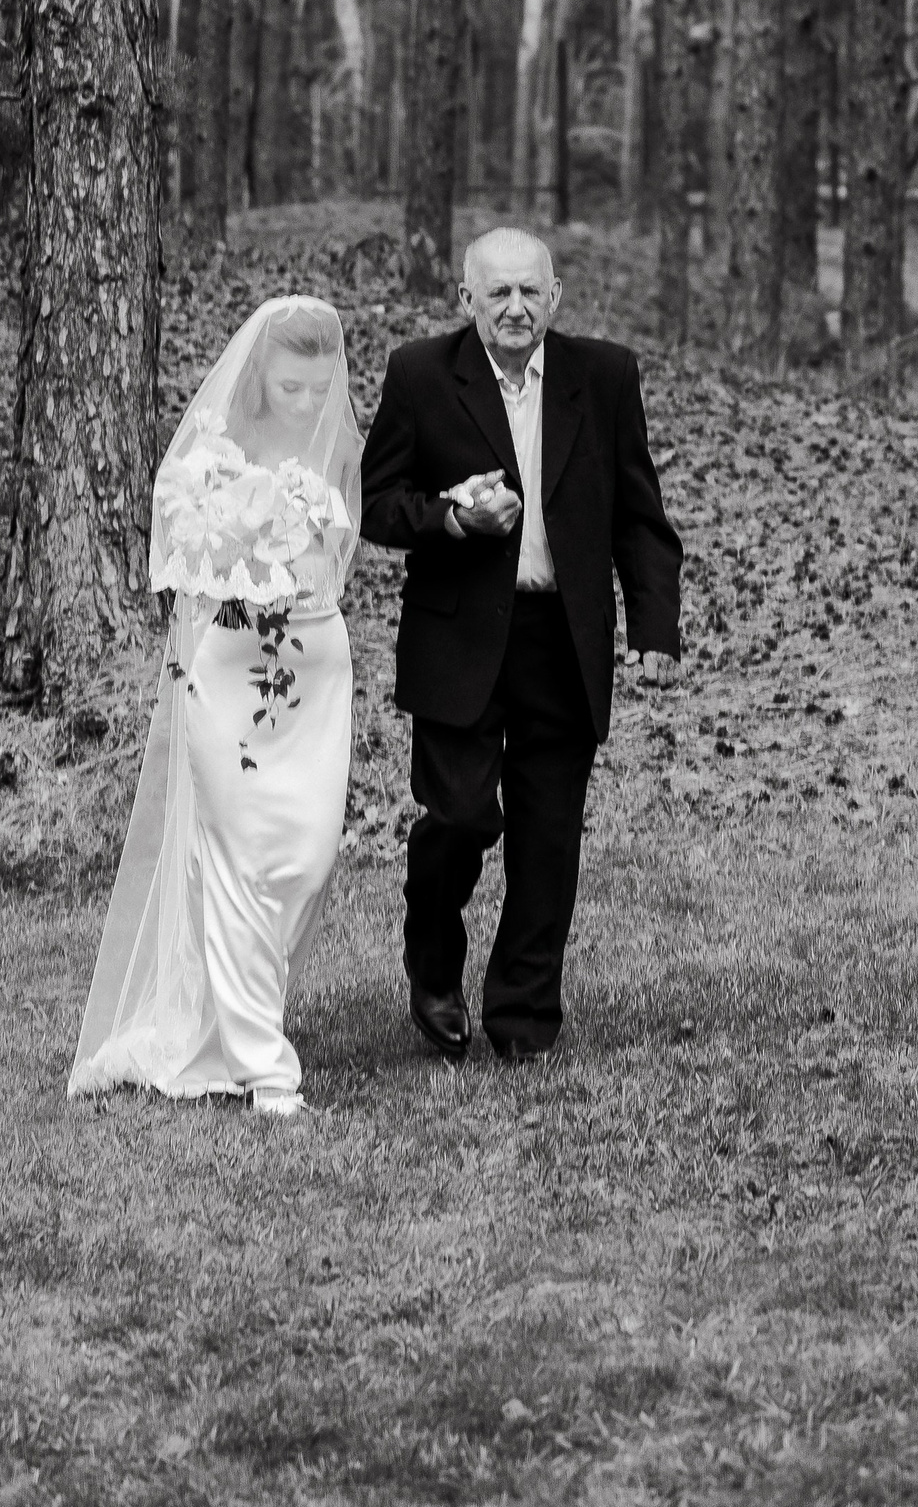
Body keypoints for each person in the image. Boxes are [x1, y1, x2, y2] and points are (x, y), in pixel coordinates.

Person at [360, 226, 683, 1063]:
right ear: (465, 299)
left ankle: (523, 1017)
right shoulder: (420, 374)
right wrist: (452, 517)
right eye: (497, 292)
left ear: (555, 297)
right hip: (458, 637)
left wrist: (653, 625)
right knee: (460, 816)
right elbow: (376, 504)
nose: (515, 307)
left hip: (562, 639)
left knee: (548, 837)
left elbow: (639, 513)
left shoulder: (603, 377)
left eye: (530, 291)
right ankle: (433, 963)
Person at [67, 296, 361, 1118]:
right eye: (292, 387)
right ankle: (267, 1070)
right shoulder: (210, 453)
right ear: (261, 376)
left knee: (306, 860)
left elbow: (336, 558)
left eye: (320, 388)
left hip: (316, 671)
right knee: (238, 860)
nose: (308, 403)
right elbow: (180, 563)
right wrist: (238, 556)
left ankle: (234, 1020)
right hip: (231, 668)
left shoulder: (336, 444)